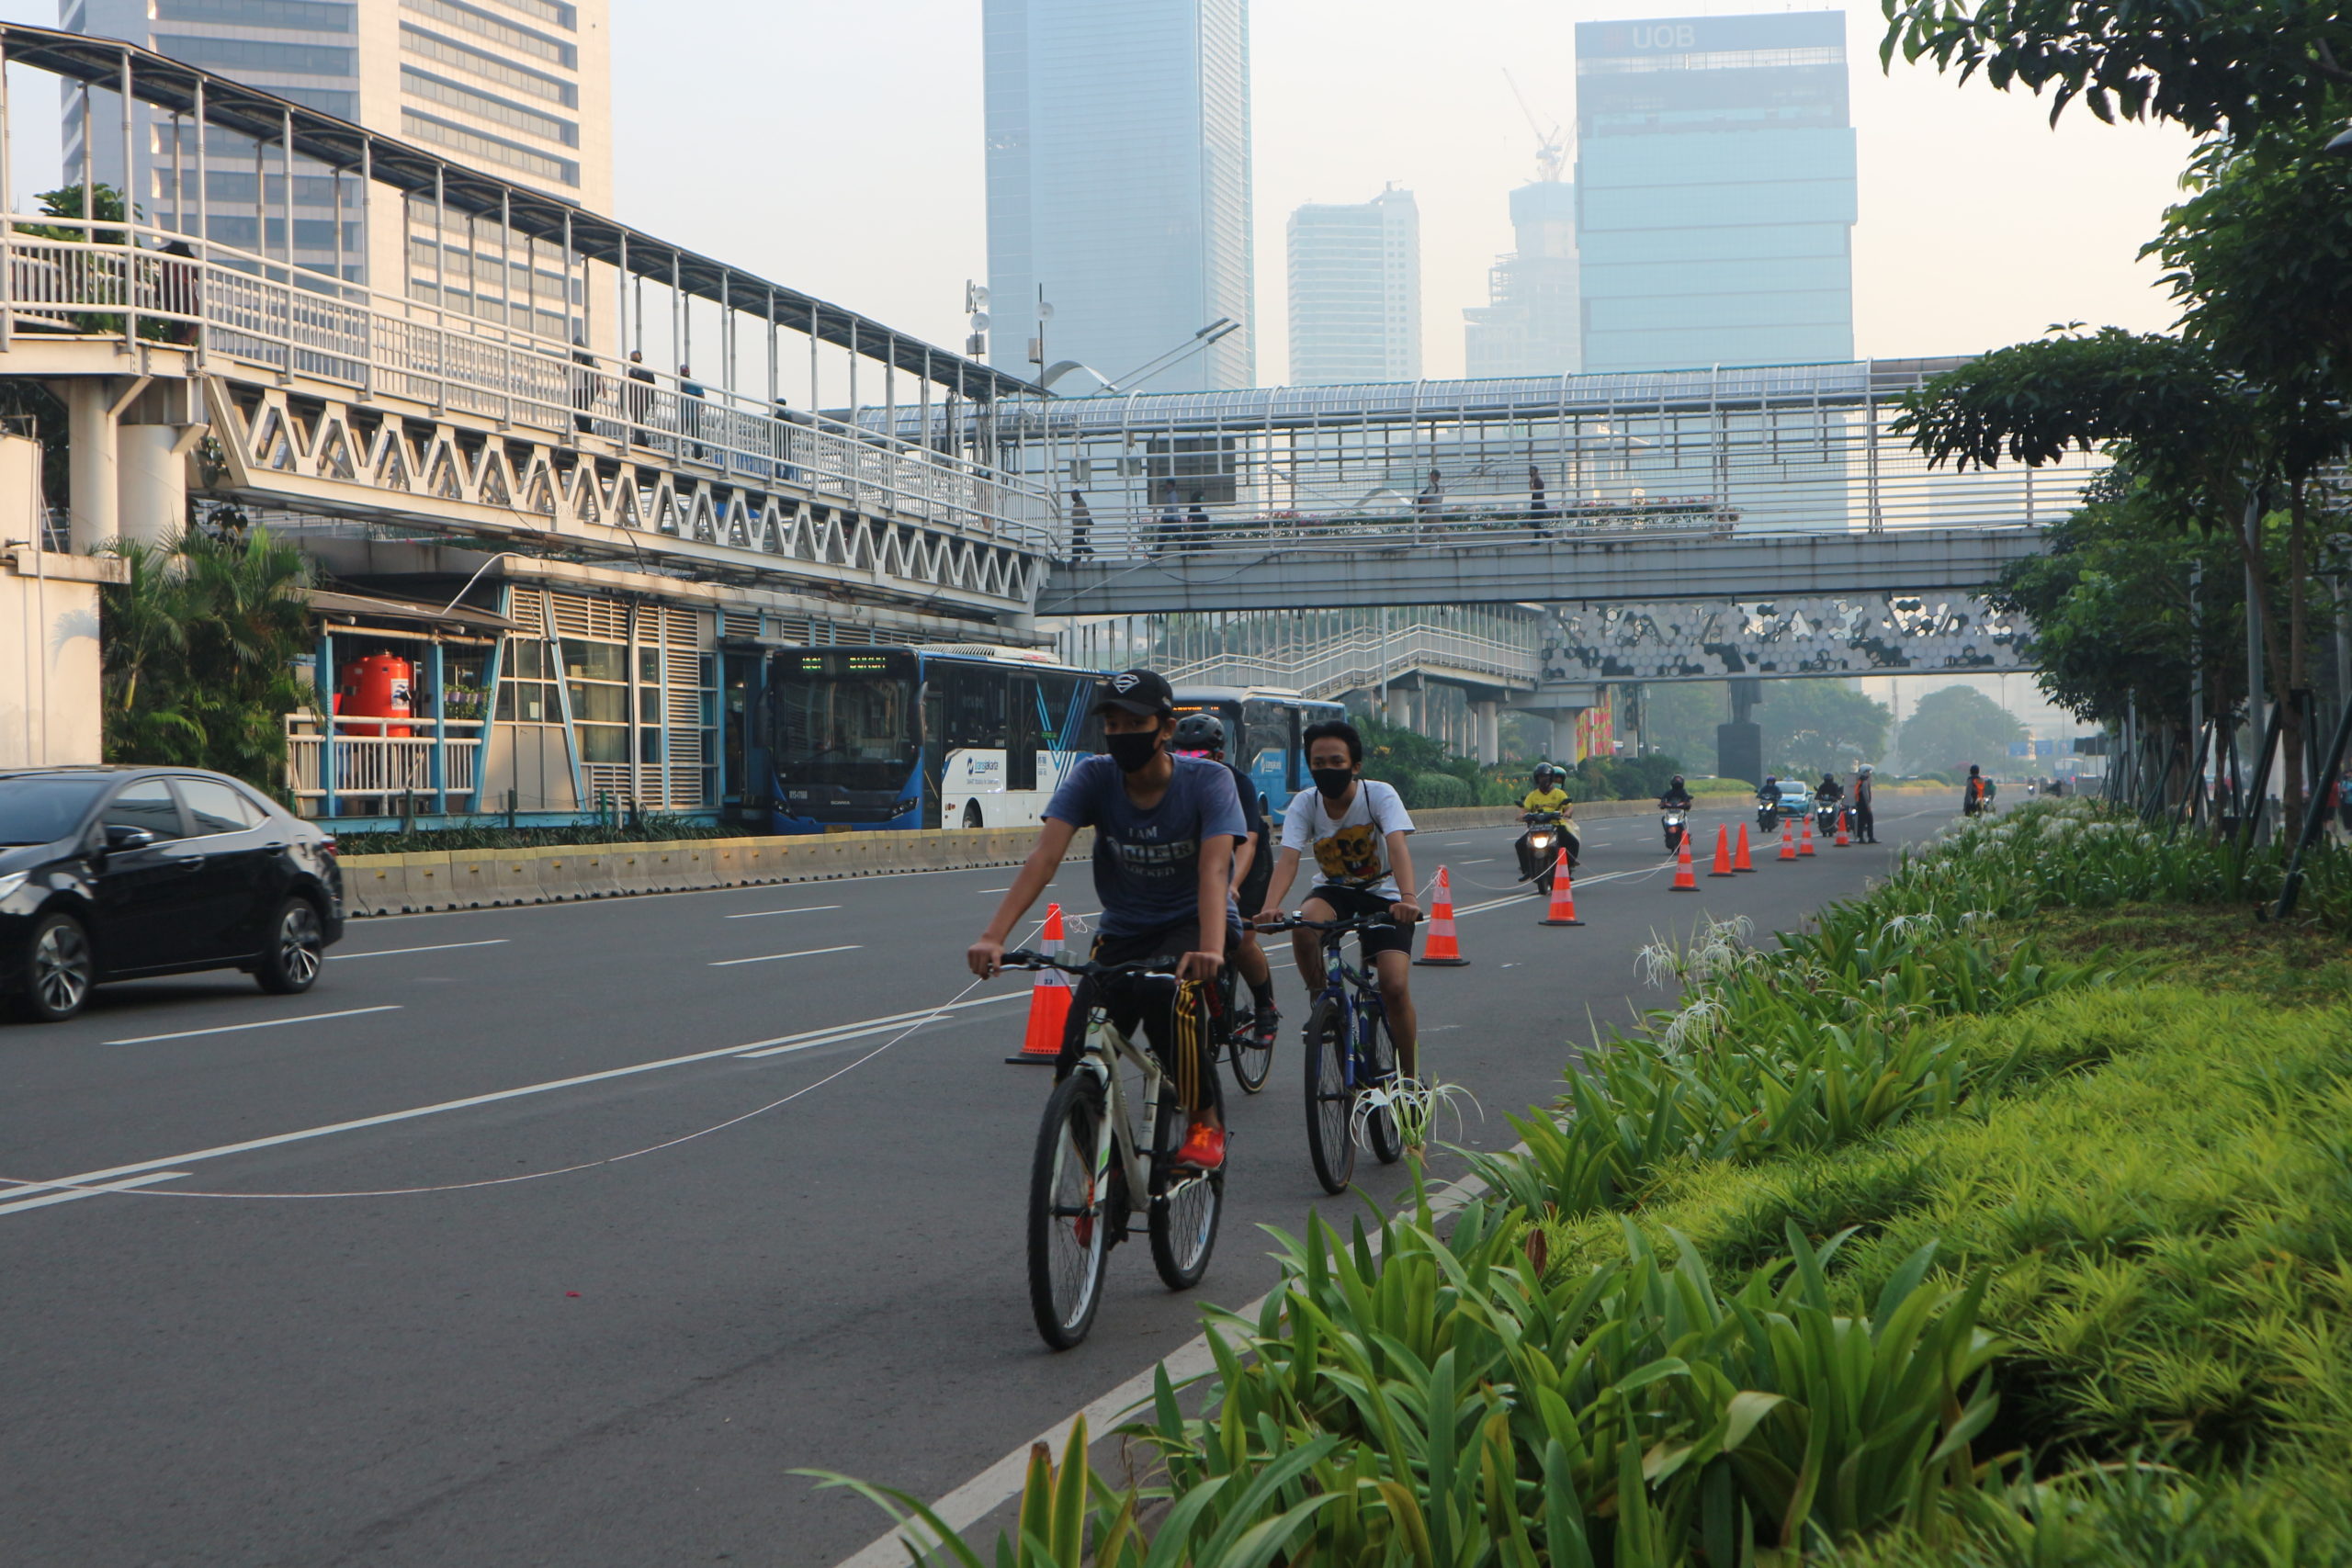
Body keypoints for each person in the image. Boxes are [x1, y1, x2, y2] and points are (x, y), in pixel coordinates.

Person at [968, 669, 1243, 1171]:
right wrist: (993, 936)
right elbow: (1044, 858)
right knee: (1073, 1061)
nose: (1120, 735)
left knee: (1167, 999)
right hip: (1123, 930)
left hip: (1192, 923)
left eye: (1134, 724)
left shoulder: (1209, 781)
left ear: (1165, 729)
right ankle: (1105, 1181)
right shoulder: (1094, 776)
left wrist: (1210, 948)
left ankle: (1204, 1121)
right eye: (1112, 725)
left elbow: (1213, 869)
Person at [1258, 719, 1423, 1087]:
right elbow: (1288, 859)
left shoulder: (1378, 795)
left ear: (1355, 766)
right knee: (1304, 925)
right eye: (1318, 763)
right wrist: (1270, 907)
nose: (1327, 770)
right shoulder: (1306, 803)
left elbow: (1397, 845)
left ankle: (1410, 1082)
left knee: (1394, 986)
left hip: (1383, 893)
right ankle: (1323, 1002)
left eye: (1336, 762)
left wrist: (1408, 898)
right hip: (1335, 891)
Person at [1170, 712, 1278, 1047]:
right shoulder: (1170, 781)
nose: (1189, 765)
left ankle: (1264, 1005)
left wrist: (1232, 886)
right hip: (1203, 861)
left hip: (1246, 862)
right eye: (1181, 756)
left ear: (1219, 756)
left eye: (1199, 757)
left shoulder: (1237, 782)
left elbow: (1247, 841)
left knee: (1242, 939)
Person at [625, 350, 655, 447]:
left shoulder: (647, 373)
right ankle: (642, 441)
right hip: (632, 401)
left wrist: (654, 403)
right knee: (636, 420)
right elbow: (623, 387)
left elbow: (652, 388)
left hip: (643, 401)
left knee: (640, 420)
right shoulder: (629, 373)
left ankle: (640, 441)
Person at [678, 363, 707, 461]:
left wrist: (702, 408)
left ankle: (698, 455)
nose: (685, 373)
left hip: (694, 414)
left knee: (696, 435)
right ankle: (677, 452)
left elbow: (702, 396)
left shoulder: (694, 383)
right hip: (683, 415)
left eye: (686, 371)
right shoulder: (679, 384)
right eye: (683, 372)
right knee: (680, 434)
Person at [1851, 763, 1877, 842]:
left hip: (1859, 803)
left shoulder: (1859, 780)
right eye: (1869, 772)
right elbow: (1866, 795)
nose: (1870, 774)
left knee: (1861, 821)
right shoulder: (1864, 782)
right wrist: (1868, 805)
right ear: (1864, 772)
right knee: (1868, 820)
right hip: (1863, 804)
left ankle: (1862, 837)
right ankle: (1869, 838)